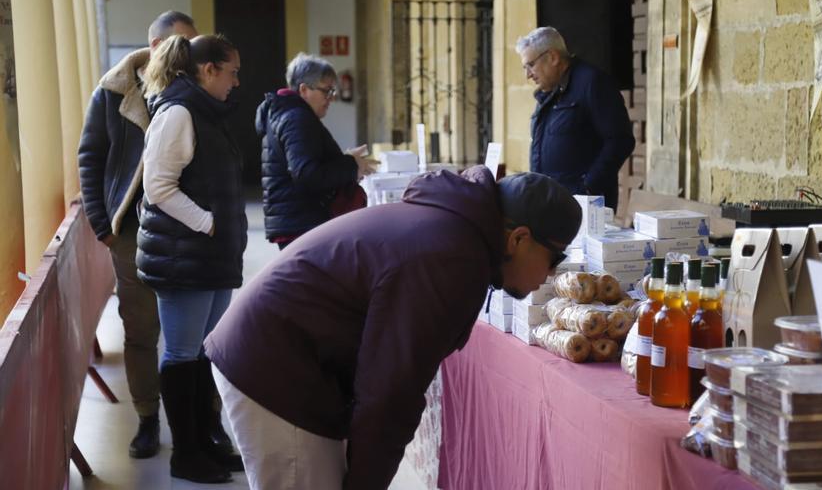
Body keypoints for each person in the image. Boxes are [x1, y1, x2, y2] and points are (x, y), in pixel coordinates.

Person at [204, 167, 582, 489]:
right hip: (274, 369)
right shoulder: (452, 258)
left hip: (282, 355)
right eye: (555, 259)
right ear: (519, 239)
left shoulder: (454, 232)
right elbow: (389, 390)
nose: (550, 275)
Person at [77, 10, 198, 459]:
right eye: (179, 45)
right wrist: (102, 225)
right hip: (130, 227)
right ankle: (148, 418)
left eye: (193, 44)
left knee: (193, 327)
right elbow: (90, 156)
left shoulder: (195, 90)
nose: (187, 55)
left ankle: (197, 419)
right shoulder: (112, 92)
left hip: (187, 225)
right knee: (141, 327)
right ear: (153, 45)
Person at [137, 34, 246, 483]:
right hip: (185, 256)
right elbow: (157, 187)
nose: (237, 82)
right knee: (182, 354)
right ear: (208, 70)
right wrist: (209, 223)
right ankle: (186, 454)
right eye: (233, 72)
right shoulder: (179, 112)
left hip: (210, 256)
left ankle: (205, 443)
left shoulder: (206, 112)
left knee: (202, 353)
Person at [255, 52, 376, 250]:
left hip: (297, 220)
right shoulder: (296, 118)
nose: (331, 98)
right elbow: (307, 175)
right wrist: (350, 165)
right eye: (326, 91)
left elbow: (306, 163)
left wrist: (345, 159)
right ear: (304, 89)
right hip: (302, 223)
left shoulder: (290, 114)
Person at [516, 26, 635, 210]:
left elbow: (621, 140)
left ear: (553, 57)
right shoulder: (547, 93)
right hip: (551, 203)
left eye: (530, 65)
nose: (528, 75)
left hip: (585, 206)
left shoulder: (593, 83)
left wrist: (587, 186)